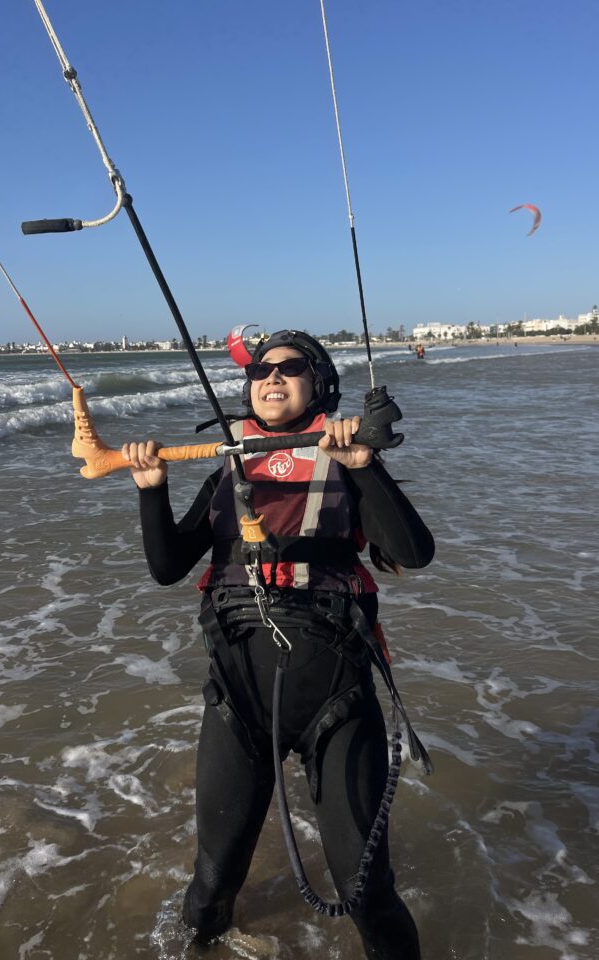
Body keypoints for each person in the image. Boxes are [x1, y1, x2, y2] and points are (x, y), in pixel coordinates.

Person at [123, 330, 435, 960]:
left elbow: (413, 552)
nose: (272, 378)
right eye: (261, 370)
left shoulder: (346, 459)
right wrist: (151, 487)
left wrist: (363, 468)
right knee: (210, 886)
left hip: (337, 697)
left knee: (365, 889)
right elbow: (167, 566)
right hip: (239, 695)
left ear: (318, 385)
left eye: (292, 369)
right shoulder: (229, 463)